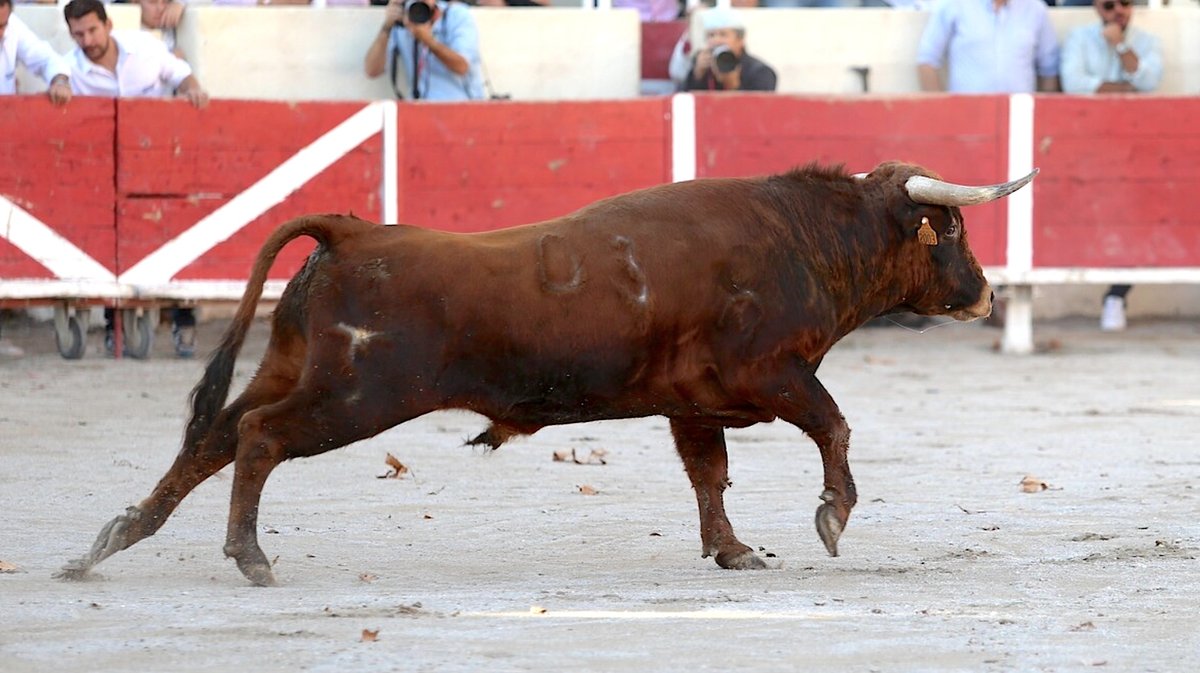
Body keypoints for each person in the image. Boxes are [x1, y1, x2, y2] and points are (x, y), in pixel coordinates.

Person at [65, 0, 208, 356]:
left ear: (108, 24)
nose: (87, 40)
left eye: (92, 30)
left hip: (158, 158)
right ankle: (114, 322)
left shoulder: (145, 48)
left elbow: (180, 73)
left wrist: (192, 89)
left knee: (175, 232)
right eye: (78, 34)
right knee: (107, 239)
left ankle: (183, 319)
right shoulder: (69, 69)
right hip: (103, 170)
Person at [1061, 0, 1161, 332]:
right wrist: (1127, 89)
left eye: (1126, 3)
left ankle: (1117, 295)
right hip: (1085, 141)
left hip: (1135, 144)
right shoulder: (1079, 38)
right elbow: (1074, 84)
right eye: (1110, 3)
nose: (1118, 9)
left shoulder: (1146, 40)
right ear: (1097, 5)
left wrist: (1118, 43)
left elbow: (1148, 82)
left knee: (1136, 218)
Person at [916, 0, 1060, 94]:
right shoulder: (954, 4)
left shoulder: (1035, 9)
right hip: (967, 114)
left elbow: (1049, 69)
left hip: (1019, 119)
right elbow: (927, 60)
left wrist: (1041, 117)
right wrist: (943, 110)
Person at [364, 0, 484, 101]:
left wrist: (428, 40)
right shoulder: (405, 19)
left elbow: (462, 66)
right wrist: (387, 27)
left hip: (459, 107)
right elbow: (372, 70)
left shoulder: (456, 15)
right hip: (420, 110)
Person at [678, 7, 776, 92]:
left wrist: (734, 86)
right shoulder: (702, 67)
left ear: (740, 39)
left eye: (723, 34)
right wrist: (697, 76)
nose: (716, 40)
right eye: (711, 35)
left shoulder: (760, 71)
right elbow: (680, 101)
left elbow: (759, 109)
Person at [1, 0, 72, 105]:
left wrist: (59, 82)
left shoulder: (12, 26)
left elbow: (46, 59)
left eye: (3, 26)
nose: (1, 33)